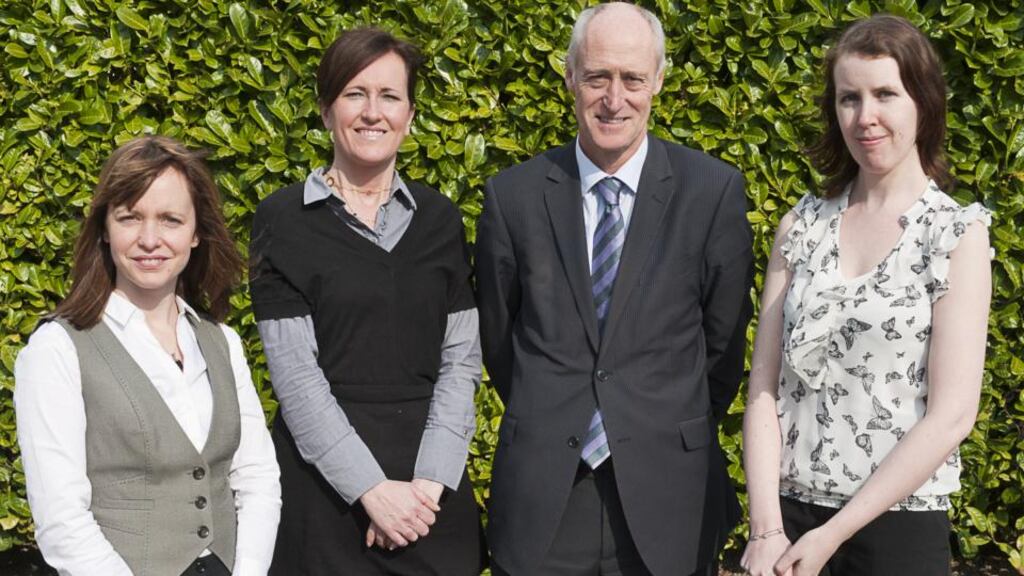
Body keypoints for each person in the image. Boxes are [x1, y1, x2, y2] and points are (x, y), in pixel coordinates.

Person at [476, 3, 754, 575]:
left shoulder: (712, 193)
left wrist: (654, 417)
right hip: (548, 498)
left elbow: (723, 345)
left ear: (658, 81)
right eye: (598, 76)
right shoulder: (513, 197)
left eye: (632, 78)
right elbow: (499, 341)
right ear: (570, 78)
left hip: (668, 495)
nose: (614, 97)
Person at [740, 14, 992, 576]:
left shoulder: (954, 235)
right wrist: (766, 529)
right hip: (788, 526)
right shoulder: (800, 227)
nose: (865, 116)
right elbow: (763, 388)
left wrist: (833, 534)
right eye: (849, 98)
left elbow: (953, 415)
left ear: (922, 103)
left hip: (897, 529)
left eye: (885, 94)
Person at [248, 27, 484, 575]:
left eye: (390, 96)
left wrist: (426, 489)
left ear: (410, 114)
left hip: (432, 499)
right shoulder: (282, 221)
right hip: (326, 500)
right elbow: (296, 377)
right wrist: (371, 490)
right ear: (327, 110)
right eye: (355, 93)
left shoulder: (441, 220)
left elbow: (461, 360)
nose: (372, 112)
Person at [14, 135, 282, 576]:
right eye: (130, 217)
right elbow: (62, 521)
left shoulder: (222, 342)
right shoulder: (57, 349)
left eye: (171, 220)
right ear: (105, 227)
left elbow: (256, 476)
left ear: (196, 233)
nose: (150, 239)